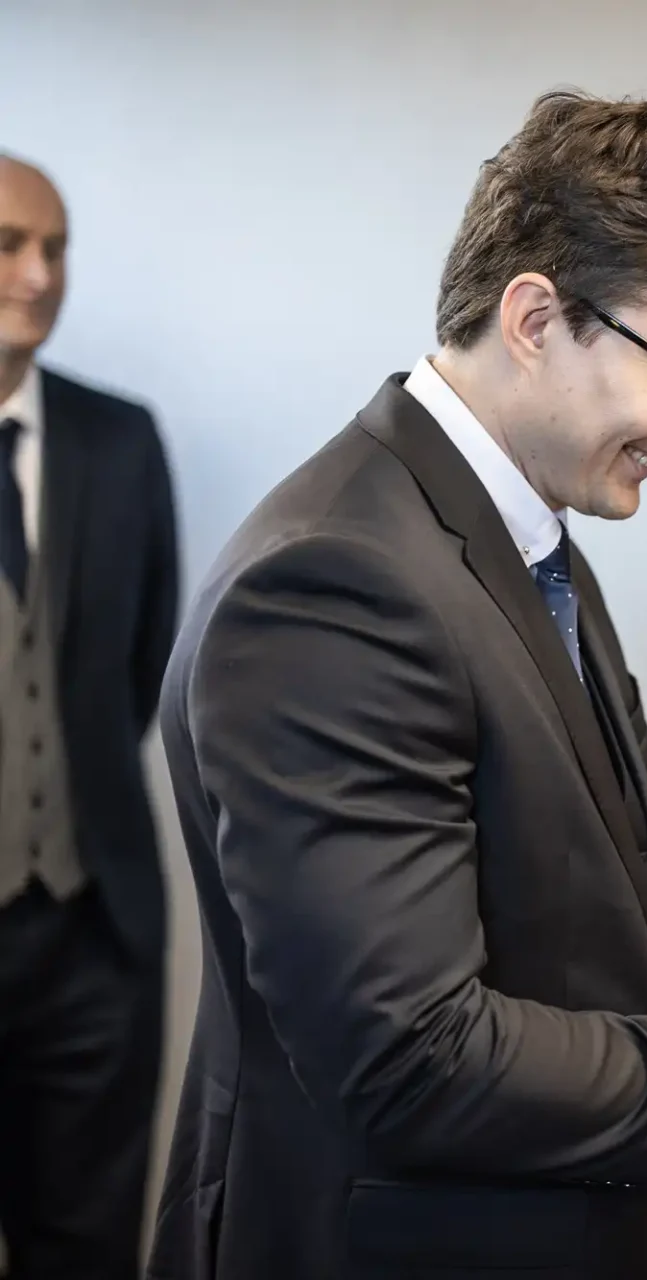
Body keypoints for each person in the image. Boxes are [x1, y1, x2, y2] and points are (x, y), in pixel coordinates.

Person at [149, 92, 647, 1280]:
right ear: (534, 316)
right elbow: (409, 1055)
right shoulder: (336, 580)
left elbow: (592, 887)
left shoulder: (515, 529)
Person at [0, 155, 179, 1280]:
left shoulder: (120, 439)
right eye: (12, 243)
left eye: (56, 247)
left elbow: (142, 657)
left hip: (91, 932)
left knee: (89, 1247)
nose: (38, 272)